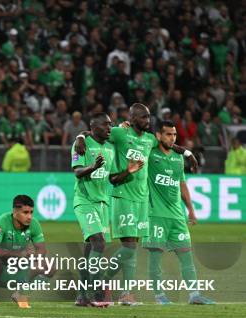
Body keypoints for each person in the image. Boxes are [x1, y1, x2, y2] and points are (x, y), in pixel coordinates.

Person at [74, 103, 196, 305]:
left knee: (132, 247)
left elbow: (167, 144)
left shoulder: (149, 139)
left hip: (142, 200)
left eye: (148, 117)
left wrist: (186, 153)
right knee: (129, 247)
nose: (147, 121)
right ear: (132, 119)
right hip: (123, 196)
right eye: (143, 117)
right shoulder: (121, 133)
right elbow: (96, 131)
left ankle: (125, 294)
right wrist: (80, 136)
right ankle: (102, 282)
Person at [71, 113, 143, 307]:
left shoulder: (110, 147)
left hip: (103, 204)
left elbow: (111, 178)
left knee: (90, 251)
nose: (110, 128)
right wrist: (93, 166)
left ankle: (81, 296)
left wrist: (128, 171)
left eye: (111, 125)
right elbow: (77, 172)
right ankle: (97, 292)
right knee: (99, 243)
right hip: (85, 201)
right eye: (106, 125)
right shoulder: (82, 144)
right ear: (94, 126)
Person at [143, 121, 215, 305]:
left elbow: (181, 184)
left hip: (177, 215)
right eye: (168, 134)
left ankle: (194, 295)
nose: (172, 138)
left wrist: (191, 209)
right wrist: (187, 151)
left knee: (186, 255)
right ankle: (159, 296)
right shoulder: (150, 153)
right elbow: (143, 139)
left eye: (174, 134)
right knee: (155, 257)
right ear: (158, 135)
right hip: (155, 214)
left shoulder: (177, 158)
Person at [0, 195, 47, 309]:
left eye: (31, 212)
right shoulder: (2, 222)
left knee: (48, 266)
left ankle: (21, 294)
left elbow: (42, 250)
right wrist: (19, 254)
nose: (29, 216)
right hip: (1, 268)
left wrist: (33, 256)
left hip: (19, 268)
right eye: (25, 212)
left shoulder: (34, 224)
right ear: (15, 212)